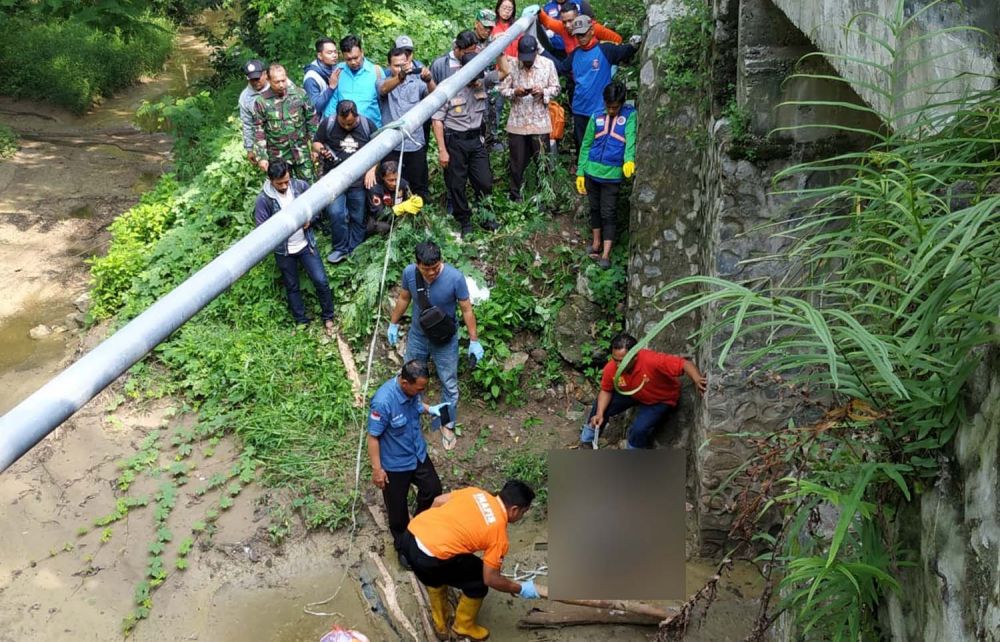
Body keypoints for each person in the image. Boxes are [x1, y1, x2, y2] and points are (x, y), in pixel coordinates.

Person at [402, 480, 542, 640]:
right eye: (523, 512)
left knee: (440, 570)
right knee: (478, 581)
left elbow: (438, 501)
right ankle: (463, 625)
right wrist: (520, 588)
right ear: (515, 510)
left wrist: (433, 532)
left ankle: (440, 623)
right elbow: (490, 578)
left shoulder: (476, 493)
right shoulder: (499, 535)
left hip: (410, 536)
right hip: (430, 558)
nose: (521, 516)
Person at [387, 241, 484, 451]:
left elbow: (466, 309)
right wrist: (393, 323)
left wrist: (474, 340)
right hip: (418, 337)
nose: (431, 273)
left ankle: (446, 423)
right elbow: (404, 298)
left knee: (449, 382)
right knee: (409, 378)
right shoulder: (410, 273)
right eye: (426, 269)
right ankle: (410, 418)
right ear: (417, 264)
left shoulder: (455, 278)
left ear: (441, 261)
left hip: (445, 340)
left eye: (435, 267)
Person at [368, 360, 446, 570]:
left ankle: (419, 527)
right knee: (397, 509)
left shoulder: (413, 391)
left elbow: (417, 405)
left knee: (433, 490)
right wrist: (377, 469)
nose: (422, 391)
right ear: (404, 382)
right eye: (419, 388)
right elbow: (373, 437)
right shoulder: (383, 402)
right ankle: (403, 546)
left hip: (417, 454)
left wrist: (432, 410)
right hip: (395, 464)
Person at [430, 30, 504, 237]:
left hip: (476, 140)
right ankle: (465, 221)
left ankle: (486, 215)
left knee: (484, 181)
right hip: (455, 140)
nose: (476, 82)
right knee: (456, 184)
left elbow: (505, 72)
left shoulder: (482, 81)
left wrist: (500, 51)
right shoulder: (450, 86)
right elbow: (437, 119)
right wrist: (442, 151)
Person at [580, 333, 707, 449]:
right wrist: (600, 413)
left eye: (622, 360)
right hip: (633, 394)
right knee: (600, 407)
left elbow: (684, 364)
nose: (618, 365)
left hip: (660, 399)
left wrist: (697, 379)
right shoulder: (611, 368)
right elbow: (606, 390)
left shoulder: (652, 360)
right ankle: (587, 441)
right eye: (615, 359)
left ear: (635, 356)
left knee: (638, 430)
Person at [253, 159, 335, 335]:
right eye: (279, 183)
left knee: (321, 280)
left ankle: (328, 316)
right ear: (270, 180)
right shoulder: (264, 200)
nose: (284, 185)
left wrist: (310, 220)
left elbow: (317, 206)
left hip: (306, 244)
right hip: (284, 251)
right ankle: (301, 320)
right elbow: (261, 229)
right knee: (292, 286)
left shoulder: (300, 186)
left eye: (286, 181)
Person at [576, 81, 636, 268]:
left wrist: (629, 160)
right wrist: (580, 172)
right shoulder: (596, 116)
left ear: (621, 103)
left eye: (615, 107)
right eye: (608, 106)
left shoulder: (629, 116)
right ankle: (595, 244)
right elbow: (586, 144)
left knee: (608, 212)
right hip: (592, 172)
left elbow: (630, 139)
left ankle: (606, 254)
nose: (611, 110)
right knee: (594, 209)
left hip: (612, 175)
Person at [312, 99, 378, 263]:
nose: (347, 127)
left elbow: (379, 148)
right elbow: (316, 142)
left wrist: (372, 169)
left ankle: (355, 248)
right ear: (337, 117)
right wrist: (322, 150)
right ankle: (340, 248)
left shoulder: (366, 125)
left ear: (356, 116)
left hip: (358, 180)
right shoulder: (329, 123)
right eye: (344, 124)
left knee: (358, 215)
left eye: (350, 123)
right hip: (334, 180)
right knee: (336, 213)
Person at [563, 15, 638, 156]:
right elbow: (561, 67)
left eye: (583, 33)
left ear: (591, 30)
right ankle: (582, 176)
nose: (580, 38)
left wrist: (633, 46)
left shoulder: (605, 50)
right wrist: (542, 52)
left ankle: (600, 175)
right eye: (577, 35)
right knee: (582, 146)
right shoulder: (575, 55)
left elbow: (623, 51)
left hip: (600, 110)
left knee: (601, 145)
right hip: (580, 110)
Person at [499, 35, 559, 202]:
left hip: (539, 122)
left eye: (529, 59)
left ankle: (544, 196)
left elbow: (556, 88)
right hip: (517, 122)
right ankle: (516, 196)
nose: (526, 63)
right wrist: (514, 92)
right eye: (523, 59)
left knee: (542, 160)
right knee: (516, 162)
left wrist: (543, 92)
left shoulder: (548, 65)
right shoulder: (512, 66)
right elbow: (502, 89)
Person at [378, 46, 434, 199]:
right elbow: (383, 89)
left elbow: (434, 97)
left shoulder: (416, 83)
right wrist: (400, 77)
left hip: (415, 143)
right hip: (391, 145)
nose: (400, 69)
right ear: (389, 66)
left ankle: (420, 218)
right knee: (392, 186)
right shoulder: (383, 81)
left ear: (409, 62)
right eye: (396, 66)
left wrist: (429, 80)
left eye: (403, 65)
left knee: (419, 186)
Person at [253, 63, 318, 181]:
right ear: (268, 80)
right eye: (277, 82)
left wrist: (315, 147)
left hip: (301, 152)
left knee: (309, 188)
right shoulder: (261, 102)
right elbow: (259, 131)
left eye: (283, 80)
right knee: (285, 191)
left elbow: (312, 120)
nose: (282, 85)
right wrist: (262, 156)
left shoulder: (299, 94)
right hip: (278, 156)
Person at [323, 34, 384, 127]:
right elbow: (333, 101)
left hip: (371, 130)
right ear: (343, 56)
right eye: (348, 59)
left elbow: (385, 103)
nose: (353, 62)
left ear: (362, 52)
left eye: (356, 58)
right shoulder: (339, 71)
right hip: (344, 129)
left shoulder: (376, 72)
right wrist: (326, 125)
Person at [540, 2, 621, 55]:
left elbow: (617, 39)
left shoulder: (591, 27)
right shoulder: (562, 27)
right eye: (564, 22)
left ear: (578, 16)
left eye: (571, 21)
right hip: (575, 73)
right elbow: (547, 21)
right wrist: (537, 10)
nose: (567, 25)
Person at [366, 159, 423, 235]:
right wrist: (398, 209)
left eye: (396, 179)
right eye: (390, 180)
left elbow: (409, 202)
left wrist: (414, 202)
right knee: (384, 227)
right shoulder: (375, 189)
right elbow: (379, 215)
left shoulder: (403, 184)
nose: (394, 183)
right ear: (383, 178)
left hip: (398, 217)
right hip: (378, 220)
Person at [239, 59, 269, 165]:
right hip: (266, 144)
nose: (256, 82)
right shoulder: (245, 98)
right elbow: (247, 124)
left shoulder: (277, 84)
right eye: (252, 80)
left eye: (257, 78)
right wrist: (249, 149)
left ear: (265, 74)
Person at [302, 37, 339, 114]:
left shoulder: (336, 68)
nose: (334, 55)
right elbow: (314, 107)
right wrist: (331, 88)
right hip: (320, 123)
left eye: (335, 52)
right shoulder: (311, 78)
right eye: (329, 53)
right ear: (320, 55)